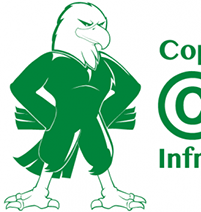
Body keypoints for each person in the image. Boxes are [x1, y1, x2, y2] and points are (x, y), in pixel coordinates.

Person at [5, 3, 146, 210]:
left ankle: (110, 193)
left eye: (101, 25)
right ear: (69, 27)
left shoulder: (103, 63)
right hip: (61, 123)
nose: (99, 31)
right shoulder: (52, 61)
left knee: (100, 152)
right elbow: (20, 88)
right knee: (54, 152)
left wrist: (100, 116)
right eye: (88, 24)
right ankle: (39, 192)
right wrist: (50, 116)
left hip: (93, 121)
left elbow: (131, 88)